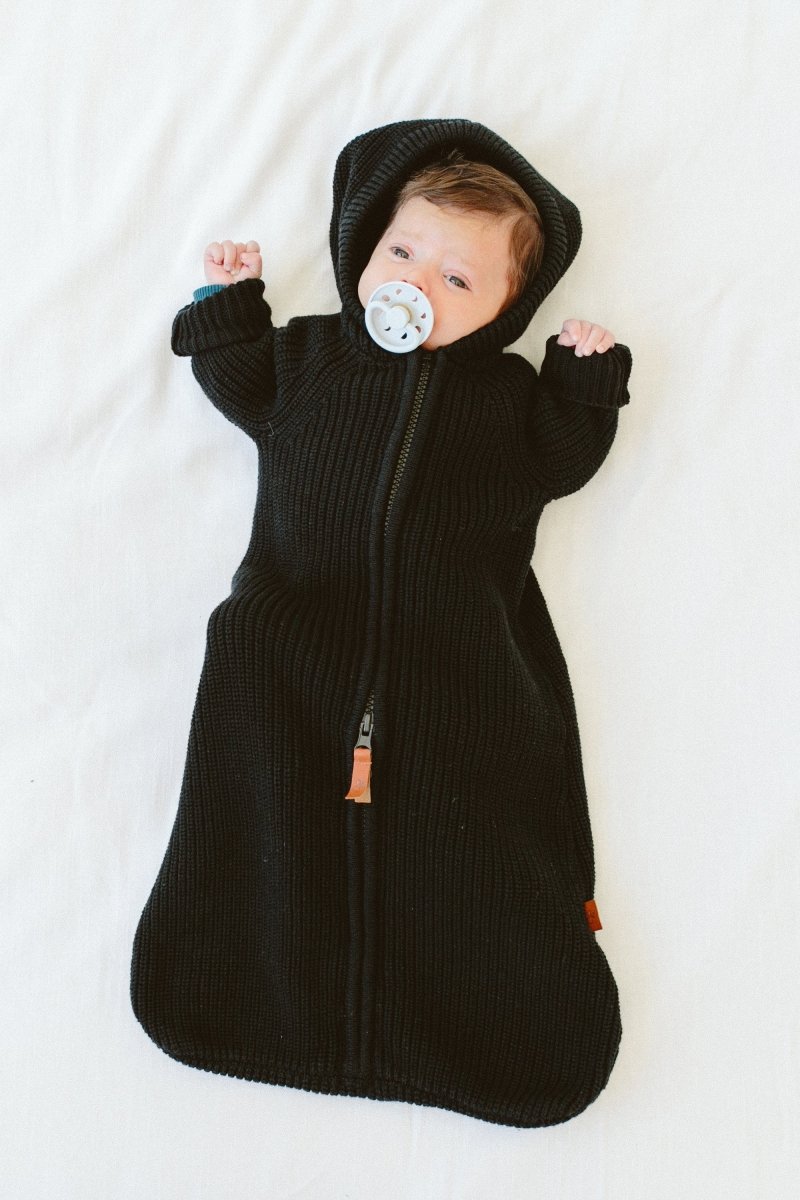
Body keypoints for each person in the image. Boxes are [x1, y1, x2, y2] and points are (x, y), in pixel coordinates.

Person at [131, 118, 633, 1129]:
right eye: (402, 252)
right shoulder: (311, 358)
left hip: (462, 666)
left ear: (507, 308)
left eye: (458, 279)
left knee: (468, 832)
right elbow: (240, 382)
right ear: (364, 249)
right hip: (286, 644)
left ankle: (458, 1019)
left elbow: (563, 456)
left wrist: (582, 382)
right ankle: (265, 997)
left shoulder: (507, 400)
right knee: (268, 809)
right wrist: (227, 311)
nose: (417, 282)